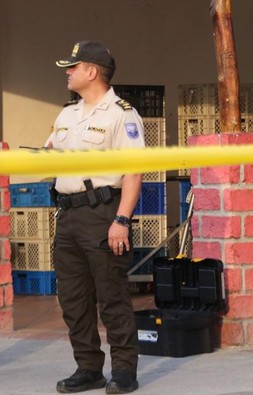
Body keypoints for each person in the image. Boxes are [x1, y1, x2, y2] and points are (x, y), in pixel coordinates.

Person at [46, 41, 145, 394]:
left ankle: (123, 372)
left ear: (92, 71)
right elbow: (48, 155)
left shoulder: (121, 114)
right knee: (73, 299)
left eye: (73, 67)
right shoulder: (67, 114)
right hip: (68, 215)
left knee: (112, 297)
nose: (68, 72)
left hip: (103, 212)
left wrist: (122, 220)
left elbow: (134, 173)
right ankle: (88, 368)